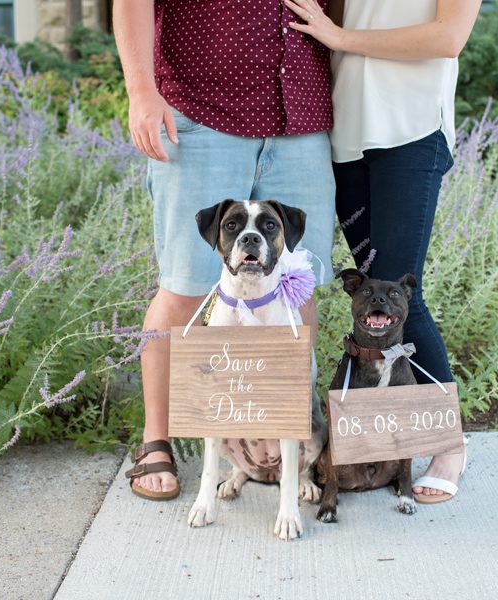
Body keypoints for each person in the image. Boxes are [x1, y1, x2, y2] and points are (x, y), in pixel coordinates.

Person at [113, 0, 337, 500]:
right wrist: (140, 90)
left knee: (296, 289)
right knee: (186, 288)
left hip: (300, 117)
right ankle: (156, 441)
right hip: (200, 116)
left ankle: (279, 437)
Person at [285, 0, 482, 503]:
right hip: (347, 137)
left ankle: (449, 445)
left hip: (410, 130)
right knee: (377, 297)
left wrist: (340, 37)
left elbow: (446, 37)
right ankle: (381, 440)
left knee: (398, 295)